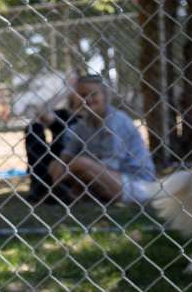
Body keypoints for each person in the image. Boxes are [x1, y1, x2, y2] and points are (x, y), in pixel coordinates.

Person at [48, 76, 156, 205]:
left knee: (80, 163)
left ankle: (69, 194)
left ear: (105, 96)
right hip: (106, 177)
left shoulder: (117, 121)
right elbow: (68, 153)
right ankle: (64, 195)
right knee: (55, 164)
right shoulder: (83, 123)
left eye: (93, 94)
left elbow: (112, 165)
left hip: (136, 182)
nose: (87, 99)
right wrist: (61, 165)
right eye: (82, 95)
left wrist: (71, 169)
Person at [24, 78, 77, 204]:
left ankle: (59, 189)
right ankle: (40, 186)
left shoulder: (92, 117)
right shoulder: (65, 115)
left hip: (74, 162)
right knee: (33, 128)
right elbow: (41, 112)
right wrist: (66, 92)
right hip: (54, 161)